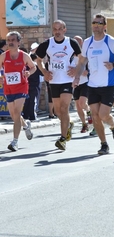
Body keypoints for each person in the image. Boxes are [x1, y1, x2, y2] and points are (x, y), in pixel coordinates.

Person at [73, 14, 114, 155]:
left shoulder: (111, 42)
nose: (96, 25)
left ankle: (113, 124)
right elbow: (82, 61)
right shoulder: (87, 42)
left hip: (108, 85)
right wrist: (77, 77)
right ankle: (104, 144)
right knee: (95, 116)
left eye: (99, 23)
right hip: (92, 85)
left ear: (104, 26)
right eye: (94, 23)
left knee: (103, 115)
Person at [36, 20, 81, 151]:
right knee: (56, 111)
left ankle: (62, 139)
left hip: (67, 80)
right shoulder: (47, 44)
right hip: (53, 81)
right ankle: (68, 124)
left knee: (64, 107)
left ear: (64, 30)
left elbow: (82, 58)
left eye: (60, 29)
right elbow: (38, 60)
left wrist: (76, 70)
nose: (57, 31)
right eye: (55, 29)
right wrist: (44, 72)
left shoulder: (71, 43)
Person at [0, 31, 35, 151]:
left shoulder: (24, 56)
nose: (10, 42)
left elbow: (33, 67)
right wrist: (1, 77)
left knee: (16, 111)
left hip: (21, 86)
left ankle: (15, 142)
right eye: (8, 40)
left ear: (18, 42)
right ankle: (26, 125)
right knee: (14, 115)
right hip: (9, 88)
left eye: (13, 40)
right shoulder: (4, 56)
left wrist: (28, 72)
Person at [69, 35, 90, 133]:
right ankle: (84, 124)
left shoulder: (85, 55)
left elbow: (87, 71)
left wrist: (85, 71)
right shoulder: (70, 56)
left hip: (85, 82)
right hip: (75, 83)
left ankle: (89, 111)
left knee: (82, 103)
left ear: (81, 43)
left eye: (78, 41)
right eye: (74, 41)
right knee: (78, 106)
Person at [22, 53, 43, 121]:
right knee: (33, 101)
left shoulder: (25, 65)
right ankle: (32, 116)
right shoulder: (35, 65)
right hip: (34, 85)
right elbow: (42, 73)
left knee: (27, 100)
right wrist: (41, 63)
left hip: (26, 85)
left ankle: (25, 115)